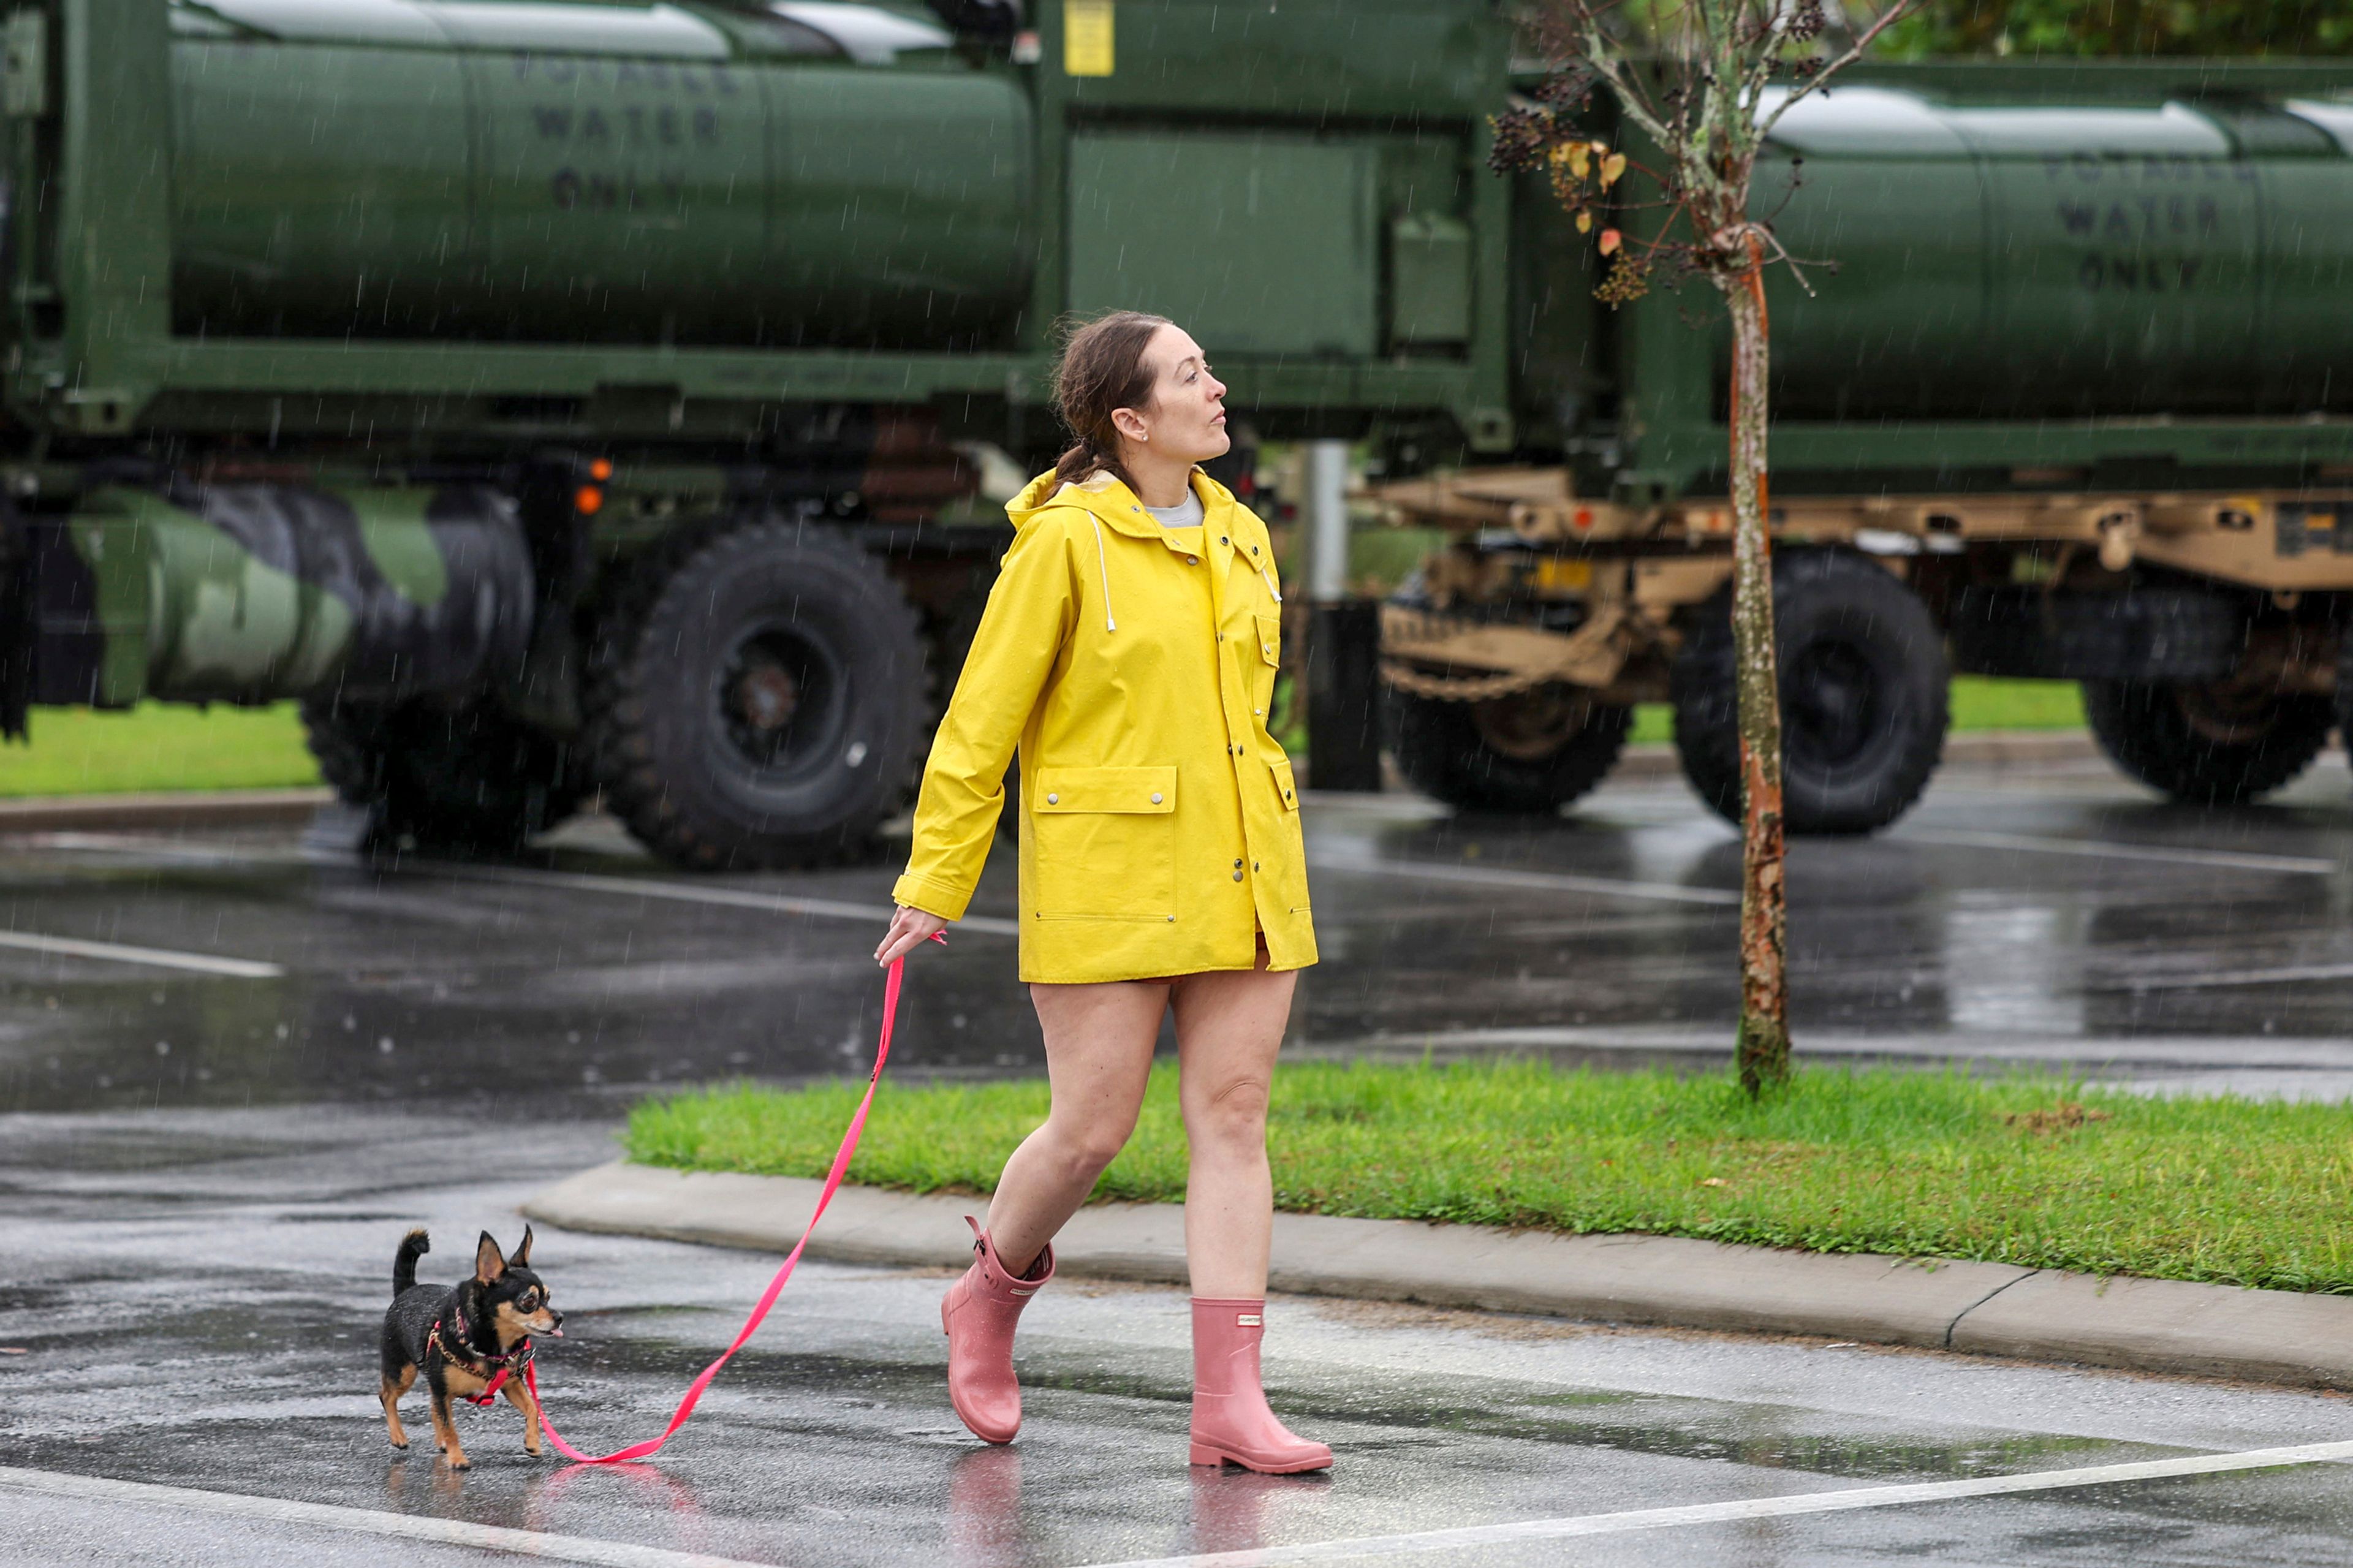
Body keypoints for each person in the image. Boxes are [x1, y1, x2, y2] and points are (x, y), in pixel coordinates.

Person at [873, 310, 1328, 1474]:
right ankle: (986, 1296)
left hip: (1245, 875)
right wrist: (936, 883)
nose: (1218, 389)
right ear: (1130, 420)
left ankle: (1230, 1403)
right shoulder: (1062, 544)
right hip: (1111, 877)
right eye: (1191, 376)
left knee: (1232, 1121)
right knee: (1091, 1131)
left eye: (1209, 368)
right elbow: (982, 722)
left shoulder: (1242, 534)